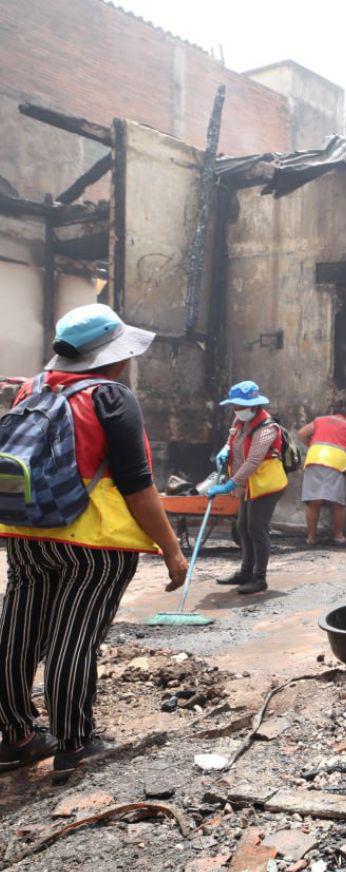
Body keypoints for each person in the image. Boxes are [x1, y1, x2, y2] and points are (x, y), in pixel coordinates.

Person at [0, 304, 188, 782]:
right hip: (94, 542)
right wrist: (171, 548)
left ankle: (16, 736)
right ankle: (74, 743)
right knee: (74, 636)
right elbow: (137, 485)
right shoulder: (111, 397)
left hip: (25, 532)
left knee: (17, 631)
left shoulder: (30, 389)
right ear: (114, 355)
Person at [209, 381, 287, 595]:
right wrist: (225, 450)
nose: (236, 410)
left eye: (239, 406)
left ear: (253, 406)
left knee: (256, 528)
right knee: (242, 526)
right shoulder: (240, 420)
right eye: (234, 406)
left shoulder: (268, 428)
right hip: (249, 483)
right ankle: (245, 572)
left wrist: (229, 484)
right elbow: (231, 438)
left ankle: (259, 578)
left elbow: (253, 461)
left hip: (266, 484)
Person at [296, 400, 346, 545]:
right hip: (338, 464)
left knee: (313, 502)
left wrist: (313, 445)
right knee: (338, 502)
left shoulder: (320, 420)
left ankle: (311, 538)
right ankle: (338, 536)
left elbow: (301, 434)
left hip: (314, 458)